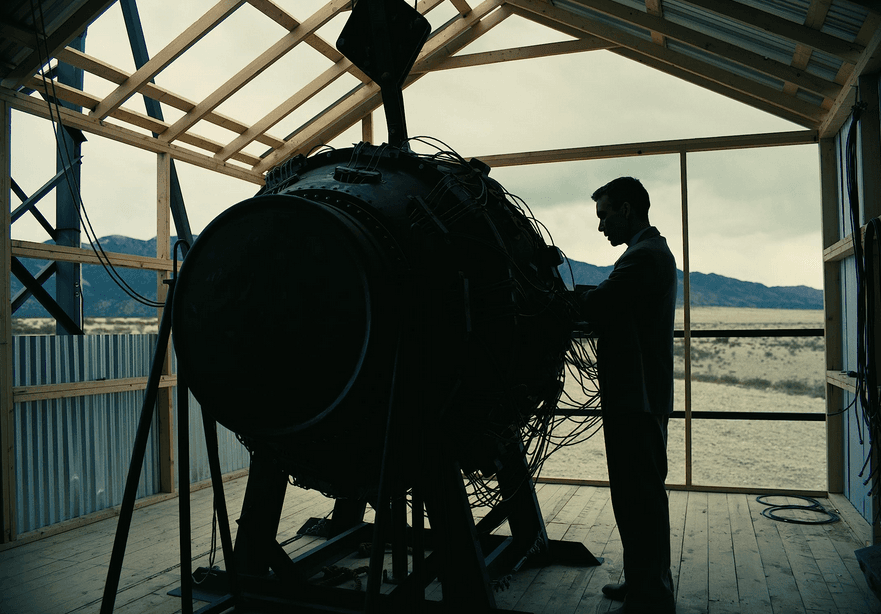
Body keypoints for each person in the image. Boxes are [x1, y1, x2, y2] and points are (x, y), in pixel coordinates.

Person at [579, 177, 677, 614]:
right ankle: (643, 582)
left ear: (625, 209)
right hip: (637, 394)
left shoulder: (643, 257)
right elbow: (608, 299)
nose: (601, 227)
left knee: (640, 496)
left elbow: (602, 305)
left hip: (635, 397)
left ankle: (651, 594)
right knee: (637, 495)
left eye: (603, 216)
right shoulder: (647, 254)